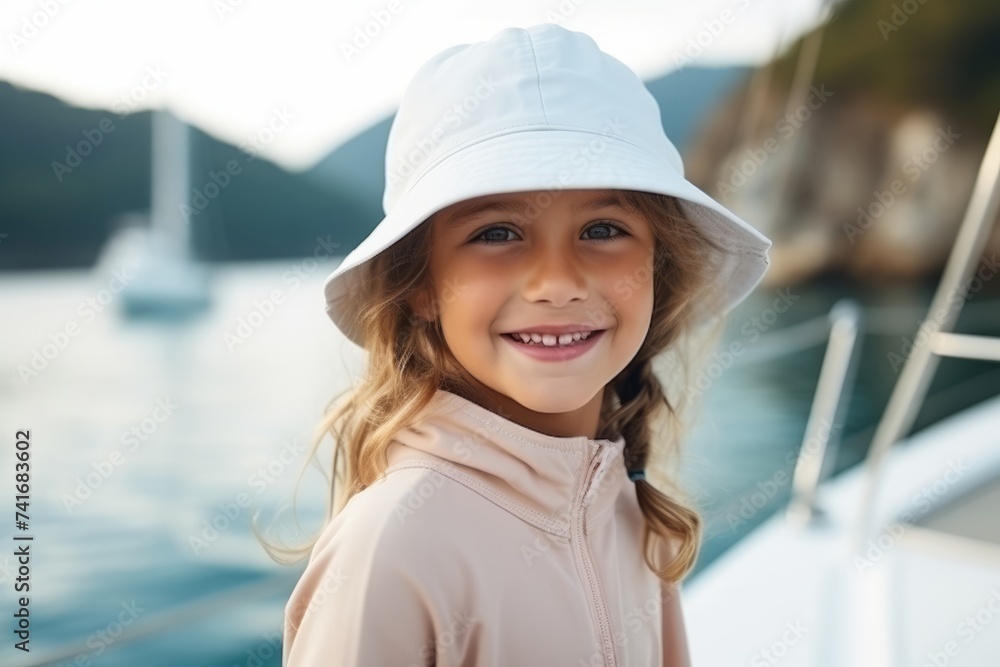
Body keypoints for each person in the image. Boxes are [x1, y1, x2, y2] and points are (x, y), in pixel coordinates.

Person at [268, 23, 771, 666]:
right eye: (498, 233)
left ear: (657, 269)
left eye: (602, 227)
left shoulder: (631, 504)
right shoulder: (394, 547)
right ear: (420, 286)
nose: (557, 282)